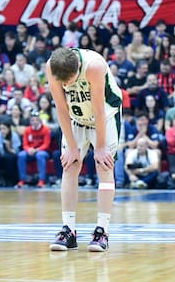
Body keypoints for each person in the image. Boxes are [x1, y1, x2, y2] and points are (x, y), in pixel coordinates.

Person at [47, 47, 122, 252]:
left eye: (69, 81)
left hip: (105, 116)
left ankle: (102, 231)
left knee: (104, 165)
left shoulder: (94, 66)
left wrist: (100, 146)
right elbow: (61, 108)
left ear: (78, 67)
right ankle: (68, 230)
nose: (66, 85)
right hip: (76, 118)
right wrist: (71, 147)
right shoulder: (52, 67)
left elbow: (98, 108)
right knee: (69, 165)